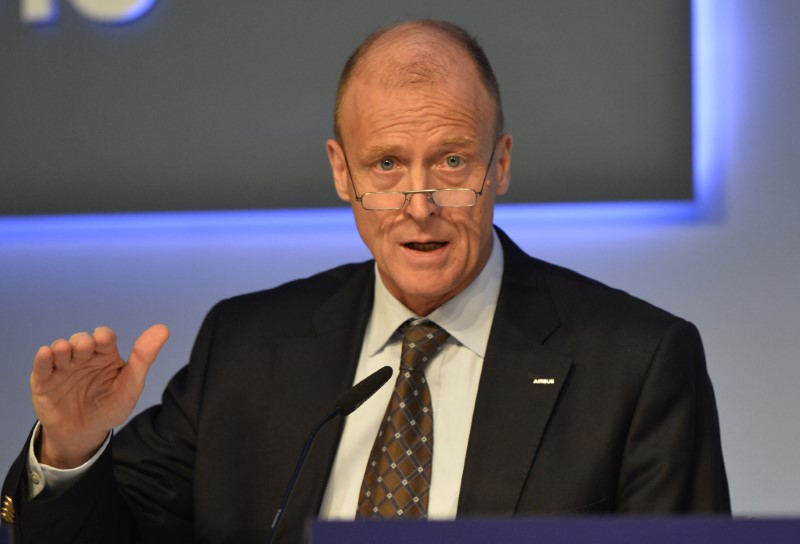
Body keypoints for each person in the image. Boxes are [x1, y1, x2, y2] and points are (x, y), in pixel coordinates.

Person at [1, 19, 730, 543]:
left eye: (452, 162)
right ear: (341, 173)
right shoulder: (249, 348)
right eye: (386, 165)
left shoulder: (636, 363)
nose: (420, 205)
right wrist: (69, 451)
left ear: (499, 165)